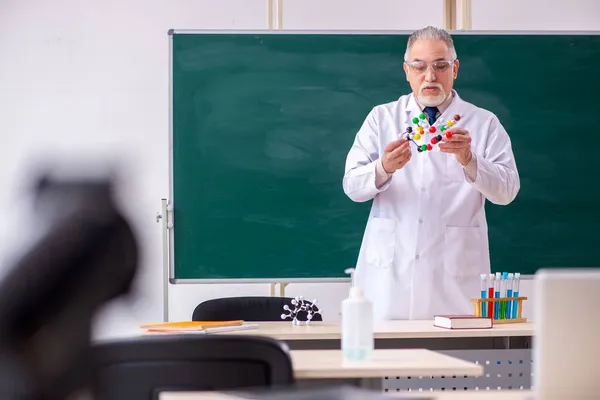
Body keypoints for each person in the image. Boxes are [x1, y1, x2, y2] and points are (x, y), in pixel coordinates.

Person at [342, 26, 520, 320]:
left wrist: (470, 160)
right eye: (419, 66)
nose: (430, 76)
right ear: (406, 71)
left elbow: (507, 192)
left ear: (455, 68)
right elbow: (352, 186)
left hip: (454, 286)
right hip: (388, 285)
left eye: (440, 66)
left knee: (456, 362)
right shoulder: (381, 118)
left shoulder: (483, 123)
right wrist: (383, 168)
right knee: (388, 362)